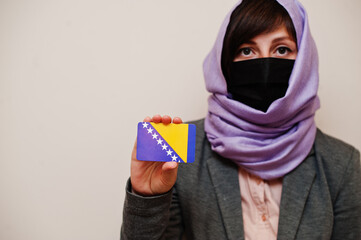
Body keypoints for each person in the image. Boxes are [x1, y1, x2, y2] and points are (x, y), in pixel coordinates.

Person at [121, 0, 361, 239]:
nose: (265, 64)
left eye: (282, 50)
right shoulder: (178, 145)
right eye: (247, 50)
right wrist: (147, 199)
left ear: (305, 62)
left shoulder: (342, 163)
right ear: (225, 62)